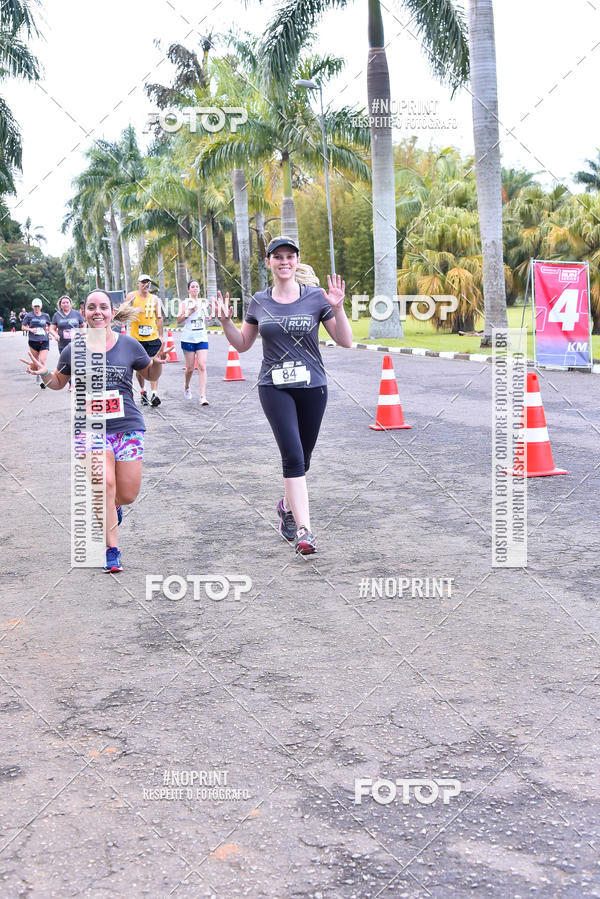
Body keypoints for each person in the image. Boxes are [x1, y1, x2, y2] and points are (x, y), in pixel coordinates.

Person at [216, 236, 352, 555]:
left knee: (302, 461)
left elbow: (345, 340)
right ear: (269, 263)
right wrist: (224, 321)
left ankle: (287, 507)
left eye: (290, 256)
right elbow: (242, 344)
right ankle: (305, 531)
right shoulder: (259, 301)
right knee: (291, 456)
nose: (284, 261)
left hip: (313, 387)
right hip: (273, 387)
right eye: (278, 256)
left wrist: (339, 307)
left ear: (297, 261)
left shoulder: (317, 298)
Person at [20, 289, 168, 572]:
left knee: (126, 494)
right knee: (105, 486)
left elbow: (149, 375)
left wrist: (158, 365)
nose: (97, 312)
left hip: (128, 427)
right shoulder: (72, 349)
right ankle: (112, 549)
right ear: (83, 312)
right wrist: (43, 373)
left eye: (103, 307)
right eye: (91, 307)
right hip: (89, 428)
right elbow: (58, 382)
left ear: (112, 312)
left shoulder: (129, 345)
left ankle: (114, 508)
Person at [123, 275, 163, 406]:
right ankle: (143, 391)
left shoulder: (155, 299)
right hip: (136, 339)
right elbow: (123, 313)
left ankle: (154, 393)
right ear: (138, 284)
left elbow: (159, 318)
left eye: (148, 282)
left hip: (152, 338)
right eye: (144, 282)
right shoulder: (131, 296)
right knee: (140, 367)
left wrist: (161, 336)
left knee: (153, 364)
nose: (146, 284)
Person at [177, 278, 209, 405]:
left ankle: (202, 396)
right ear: (189, 290)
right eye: (193, 287)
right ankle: (186, 386)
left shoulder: (203, 302)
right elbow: (178, 320)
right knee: (190, 368)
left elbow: (204, 318)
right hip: (188, 338)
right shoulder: (184, 303)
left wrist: (208, 317)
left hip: (201, 337)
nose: (195, 288)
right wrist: (189, 312)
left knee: (202, 365)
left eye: (197, 286)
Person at [50, 296, 85, 389]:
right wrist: (55, 335)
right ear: (60, 305)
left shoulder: (76, 314)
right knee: (67, 364)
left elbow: (83, 325)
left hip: (77, 343)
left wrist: (83, 333)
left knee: (77, 363)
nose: (65, 304)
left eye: (67, 302)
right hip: (63, 344)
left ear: (70, 303)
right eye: (63, 303)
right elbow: (51, 328)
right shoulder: (57, 315)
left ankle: (78, 382)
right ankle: (70, 384)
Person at [21, 299, 52, 388]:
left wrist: (49, 333)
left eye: (38, 306)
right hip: (33, 341)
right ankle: (38, 378)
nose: (37, 308)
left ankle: (43, 381)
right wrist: (30, 329)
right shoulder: (28, 315)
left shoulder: (46, 315)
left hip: (44, 340)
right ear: (32, 307)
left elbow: (50, 325)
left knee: (42, 361)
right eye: (35, 306)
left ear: (41, 306)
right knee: (36, 362)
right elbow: (23, 327)